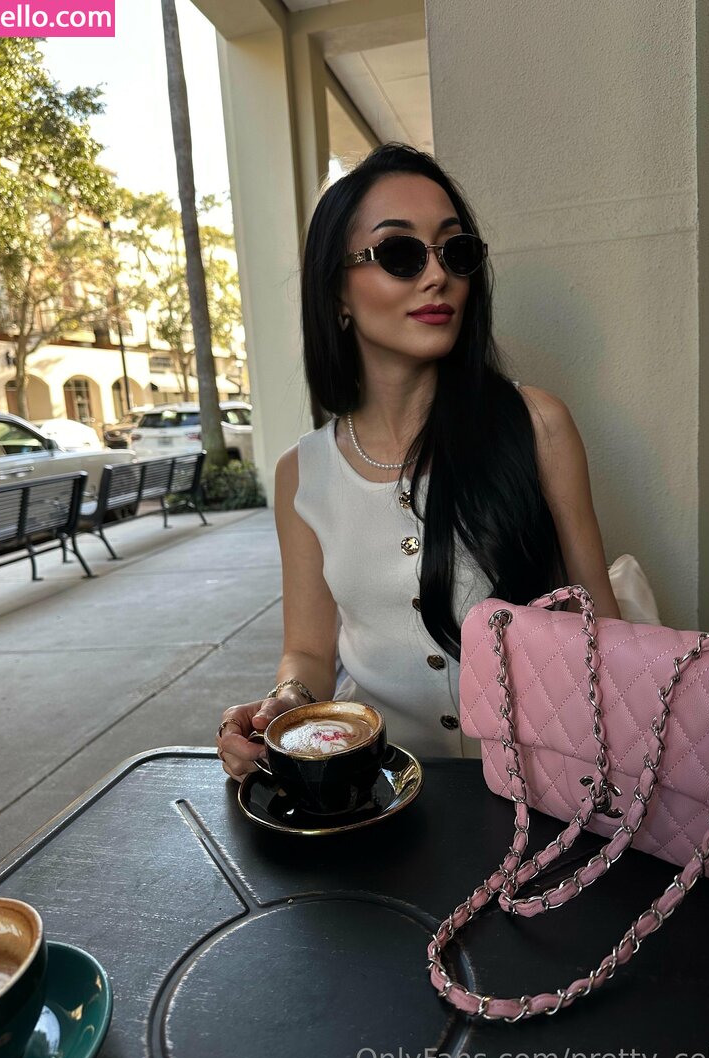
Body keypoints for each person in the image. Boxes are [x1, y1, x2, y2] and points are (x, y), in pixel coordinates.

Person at [217, 143, 620, 782]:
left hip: (540, 794)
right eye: (400, 254)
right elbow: (308, 651)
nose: (437, 277)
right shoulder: (303, 472)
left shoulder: (537, 425)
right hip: (378, 794)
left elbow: (599, 624)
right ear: (337, 292)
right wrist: (283, 705)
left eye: (455, 251)